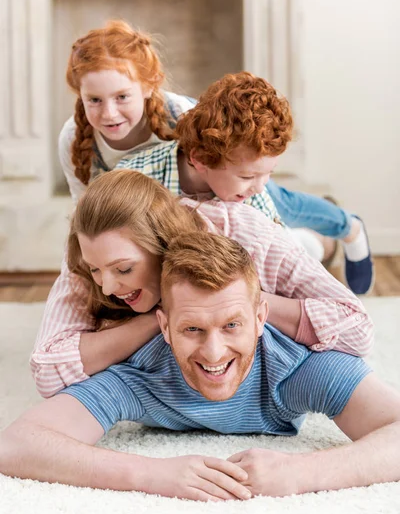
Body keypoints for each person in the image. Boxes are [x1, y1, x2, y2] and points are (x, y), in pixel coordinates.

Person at [1, 230, 398, 502]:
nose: (213, 352)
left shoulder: (299, 367)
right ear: (164, 327)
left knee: (301, 241)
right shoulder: (141, 373)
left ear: (261, 318)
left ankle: (322, 237)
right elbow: (17, 443)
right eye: (192, 328)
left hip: (270, 238)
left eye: (231, 325)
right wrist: (150, 474)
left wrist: (302, 473)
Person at [60, 19, 373, 293]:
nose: (109, 112)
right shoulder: (74, 139)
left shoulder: (182, 114)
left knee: (281, 203)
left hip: (228, 172)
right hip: (177, 189)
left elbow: (228, 144)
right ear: (81, 97)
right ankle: (308, 244)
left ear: (147, 87)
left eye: (122, 97)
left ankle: (347, 227)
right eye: (95, 100)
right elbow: (84, 210)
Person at [30, 170, 373, 398]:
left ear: (161, 246)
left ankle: (324, 237)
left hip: (275, 244)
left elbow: (357, 330)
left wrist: (242, 302)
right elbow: (46, 372)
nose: (106, 287)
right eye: (95, 271)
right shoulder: (88, 251)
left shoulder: (244, 230)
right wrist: (164, 315)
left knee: (307, 246)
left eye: (123, 269)